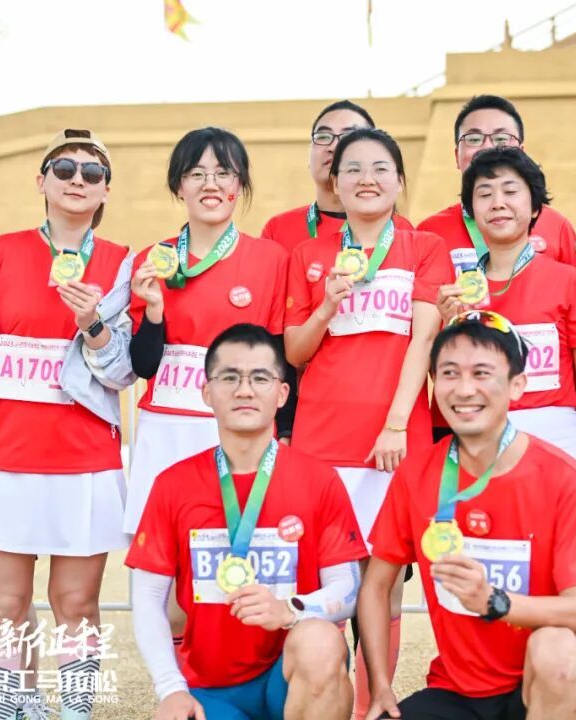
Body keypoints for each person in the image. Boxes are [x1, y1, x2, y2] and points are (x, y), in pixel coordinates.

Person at [0, 128, 135, 720]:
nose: (78, 180)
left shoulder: (123, 264)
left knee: (77, 603)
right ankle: (6, 710)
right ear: (42, 181)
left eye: (92, 172)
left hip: (86, 459)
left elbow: (123, 370)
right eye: (64, 168)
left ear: (106, 190)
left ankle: (75, 712)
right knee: (3, 604)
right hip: (5, 456)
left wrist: (92, 323)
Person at [359, 311, 576, 720]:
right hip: (457, 690)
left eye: (481, 373)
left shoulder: (565, 479)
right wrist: (380, 686)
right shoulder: (417, 474)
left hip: (540, 685)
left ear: (517, 385)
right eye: (449, 373)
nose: (464, 389)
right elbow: (376, 586)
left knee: (557, 651)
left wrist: (494, 601)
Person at [284, 127, 452, 718]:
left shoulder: (425, 247)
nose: (366, 179)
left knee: (384, 581)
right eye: (352, 168)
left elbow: (424, 339)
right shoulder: (308, 256)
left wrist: (397, 423)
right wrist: (328, 305)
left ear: (399, 181)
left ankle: (373, 704)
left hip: (395, 442)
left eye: (380, 168)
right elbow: (295, 352)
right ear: (335, 182)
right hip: (321, 441)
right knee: (327, 585)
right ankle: (326, 702)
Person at [127, 324, 367, 720]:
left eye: (260, 378)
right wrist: (170, 689)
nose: (244, 390)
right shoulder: (173, 484)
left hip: (288, 677)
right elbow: (149, 597)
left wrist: (290, 609)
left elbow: (349, 587)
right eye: (229, 377)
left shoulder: (319, 480)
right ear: (207, 392)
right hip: (210, 690)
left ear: (282, 393)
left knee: (321, 641)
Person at [433, 147, 576, 524]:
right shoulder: (456, 293)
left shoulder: (569, 281)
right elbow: (443, 380)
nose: (497, 203)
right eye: (484, 194)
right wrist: (448, 325)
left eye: (510, 191)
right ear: (472, 210)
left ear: (535, 208)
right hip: (476, 441)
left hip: (556, 439)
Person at [125, 127, 290, 539]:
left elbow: (282, 357)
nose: (210, 184)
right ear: (179, 186)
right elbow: (143, 366)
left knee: (237, 547)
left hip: (241, 427)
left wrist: (286, 431)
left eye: (223, 173)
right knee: (162, 554)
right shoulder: (154, 260)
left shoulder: (271, 260)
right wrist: (155, 311)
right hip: (166, 428)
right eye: (196, 174)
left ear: (240, 184)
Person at [416, 94, 576, 278]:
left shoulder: (557, 227)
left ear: (521, 152)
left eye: (501, 139)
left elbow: (575, 295)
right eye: (474, 139)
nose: (487, 147)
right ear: (457, 156)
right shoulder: (430, 233)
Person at [260, 100, 411, 255]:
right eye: (323, 137)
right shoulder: (278, 230)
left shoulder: (402, 231)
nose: (334, 147)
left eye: (349, 136)